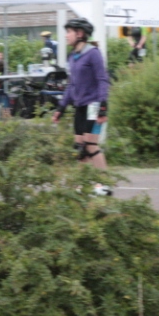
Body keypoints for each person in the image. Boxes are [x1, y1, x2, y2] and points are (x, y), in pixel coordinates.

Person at [51, 18, 112, 196]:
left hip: (94, 105)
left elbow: (102, 80)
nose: (66, 35)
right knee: (80, 149)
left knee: (91, 146)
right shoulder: (72, 57)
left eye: (69, 31)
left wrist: (103, 106)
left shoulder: (93, 53)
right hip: (79, 106)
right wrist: (61, 108)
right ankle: (80, 185)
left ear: (80, 34)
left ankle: (104, 185)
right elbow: (71, 85)